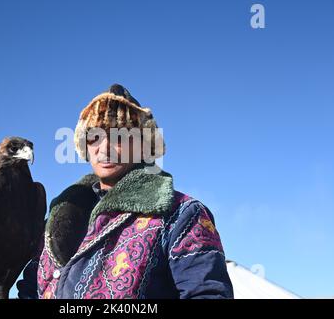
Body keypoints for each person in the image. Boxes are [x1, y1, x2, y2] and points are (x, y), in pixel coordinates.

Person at [17, 84, 233, 299]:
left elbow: (208, 294)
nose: (104, 147)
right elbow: (29, 290)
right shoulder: (59, 216)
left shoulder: (182, 214)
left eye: (119, 136)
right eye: (94, 136)